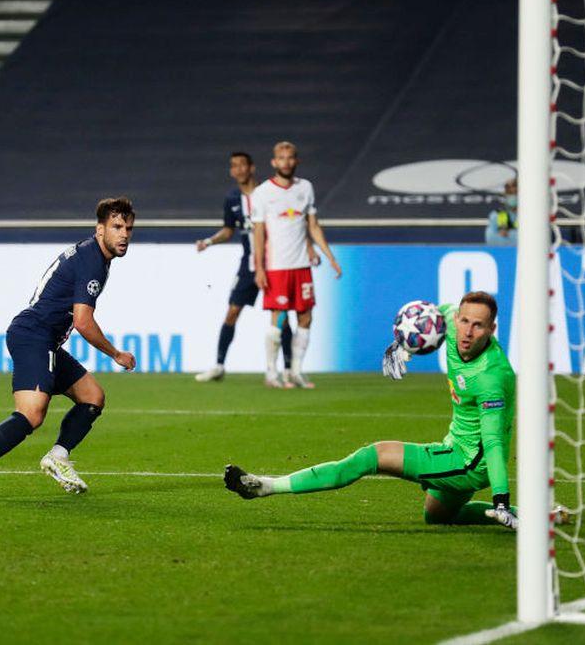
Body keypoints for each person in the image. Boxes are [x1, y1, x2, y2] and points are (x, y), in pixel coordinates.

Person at [225, 292, 564, 529]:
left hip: (469, 462)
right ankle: (538, 517)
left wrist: (501, 498)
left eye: (478, 326)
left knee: (371, 456)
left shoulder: (493, 376)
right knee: (438, 517)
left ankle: (266, 486)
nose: (467, 331)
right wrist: (402, 344)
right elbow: (423, 318)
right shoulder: (447, 320)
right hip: (454, 445)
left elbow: (493, 444)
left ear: (492, 330)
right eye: (464, 321)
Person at [0, 197, 137, 500]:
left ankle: (58, 457)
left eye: (128, 228)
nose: (124, 234)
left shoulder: (95, 256)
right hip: (32, 336)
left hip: (44, 339)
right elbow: (83, 322)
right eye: (117, 227)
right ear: (100, 229)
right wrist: (116, 354)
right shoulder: (92, 261)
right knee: (32, 414)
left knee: (93, 397)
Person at [192, 151, 294, 382]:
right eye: (234, 166)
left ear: (252, 168)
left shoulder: (268, 194)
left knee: (282, 316)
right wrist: (208, 241)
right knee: (232, 312)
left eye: (242, 165)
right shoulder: (232, 198)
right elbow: (229, 230)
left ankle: (288, 368)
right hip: (248, 266)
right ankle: (218, 365)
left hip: (274, 264)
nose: (238, 170)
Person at [250, 141, 341, 389]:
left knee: (305, 317)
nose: (286, 162)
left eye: (290, 157)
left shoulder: (305, 188)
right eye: (281, 157)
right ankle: (271, 372)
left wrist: (330, 257)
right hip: (277, 266)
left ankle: (296, 372)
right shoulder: (262, 193)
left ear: (296, 161)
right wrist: (259, 267)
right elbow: (259, 232)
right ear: (274, 162)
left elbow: (312, 225)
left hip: (302, 265)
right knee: (278, 319)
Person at [485, 178, 518, 246]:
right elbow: (496, 239)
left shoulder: (530, 215)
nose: (513, 196)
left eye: (515, 193)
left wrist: (511, 233)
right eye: (510, 193)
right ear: (505, 195)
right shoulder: (500, 213)